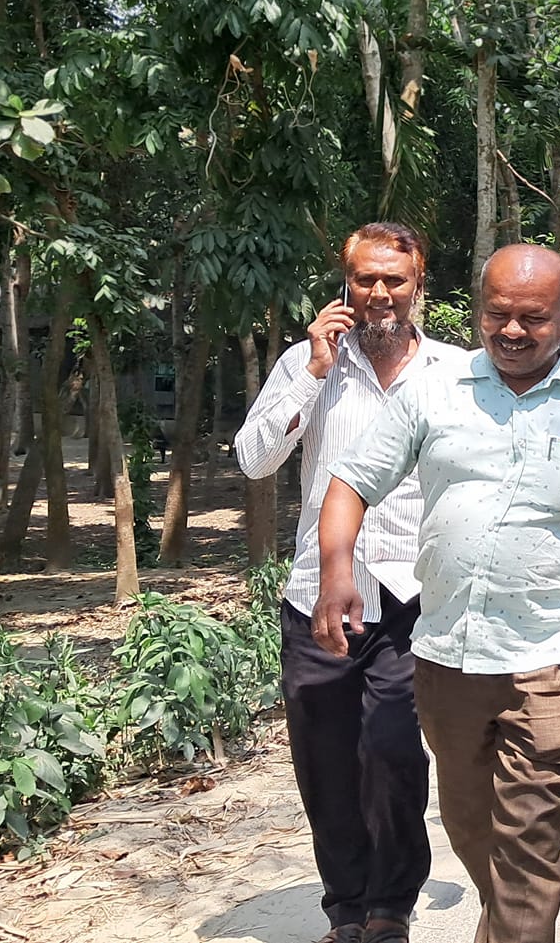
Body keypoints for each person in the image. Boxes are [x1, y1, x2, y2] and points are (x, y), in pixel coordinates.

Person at [317, 244, 560, 943]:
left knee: (529, 843)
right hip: (448, 654)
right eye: (496, 314)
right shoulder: (433, 390)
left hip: (553, 656)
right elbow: (351, 481)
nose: (511, 330)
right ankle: (504, 923)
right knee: (471, 825)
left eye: (532, 318)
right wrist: (335, 573)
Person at [234, 223, 466, 943]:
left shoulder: (457, 372)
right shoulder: (309, 363)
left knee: (393, 751)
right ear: (345, 284)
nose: (380, 293)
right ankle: (346, 908)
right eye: (366, 278)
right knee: (326, 761)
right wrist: (310, 371)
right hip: (318, 595)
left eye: (395, 279)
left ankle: (390, 905)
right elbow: (253, 460)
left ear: (420, 285)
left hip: (416, 597)